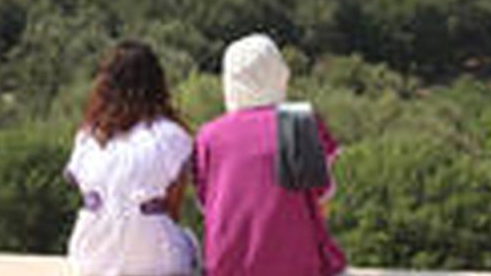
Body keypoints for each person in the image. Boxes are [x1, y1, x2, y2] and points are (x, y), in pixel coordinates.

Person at [194, 34, 347, 276]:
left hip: (228, 268)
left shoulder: (208, 136)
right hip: (297, 265)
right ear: (278, 72)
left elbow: (208, 206)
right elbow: (323, 199)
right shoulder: (299, 122)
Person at [65, 40, 198, 276]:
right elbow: (172, 210)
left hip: (89, 260)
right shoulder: (171, 136)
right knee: (190, 243)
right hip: (155, 260)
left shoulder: (87, 137)